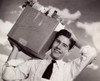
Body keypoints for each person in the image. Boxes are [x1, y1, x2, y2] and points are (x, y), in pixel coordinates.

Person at [2, 29, 97, 81]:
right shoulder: (34, 62)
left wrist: (74, 39)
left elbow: (91, 53)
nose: (59, 47)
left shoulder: (69, 70)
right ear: (52, 43)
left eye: (64, 45)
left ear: (68, 51)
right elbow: (7, 76)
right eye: (57, 42)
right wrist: (15, 49)